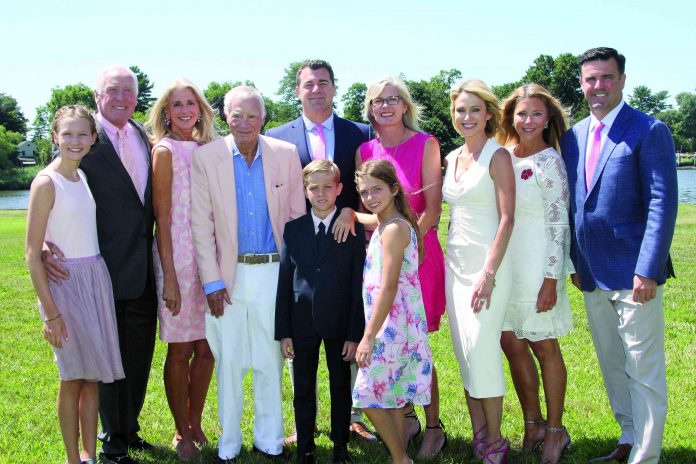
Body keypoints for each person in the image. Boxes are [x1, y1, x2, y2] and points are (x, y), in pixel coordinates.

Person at [561, 47, 678, 464]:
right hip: (592, 273)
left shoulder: (649, 130)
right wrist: (575, 262)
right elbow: (574, 204)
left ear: (622, 80)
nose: (598, 86)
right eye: (590, 79)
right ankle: (628, 437)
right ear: (581, 84)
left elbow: (662, 202)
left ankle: (645, 457)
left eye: (607, 77)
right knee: (613, 364)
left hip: (634, 274)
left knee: (643, 369)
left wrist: (648, 269)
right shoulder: (573, 137)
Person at [43, 66, 157, 464]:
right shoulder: (84, 139)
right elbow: (57, 187)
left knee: (137, 358)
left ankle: (129, 429)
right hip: (100, 271)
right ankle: (113, 442)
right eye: (113, 90)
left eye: (128, 91)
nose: (121, 97)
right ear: (98, 96)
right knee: (107, 359)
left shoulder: (143, 134)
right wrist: (45, 243)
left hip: (143, 267)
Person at [190, 85, 305, 463]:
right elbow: (201, 225)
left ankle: (270, 440)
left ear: (263, 118)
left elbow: (296, 221)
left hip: (274, 272)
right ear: (226, 116)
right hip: (228, 276)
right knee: (229, 361)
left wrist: (294, 280)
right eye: (237, 115)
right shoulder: (206, 158)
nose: (244, 123)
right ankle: (229, 443)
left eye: (252, 115)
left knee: (270, 360)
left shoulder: (285, 154)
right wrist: (212, 281)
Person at [266, 59, 376, 443]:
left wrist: (352, 211)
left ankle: (351, 417)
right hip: (302, 246)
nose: (316, 89)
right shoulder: (277, 137)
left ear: (334, 88)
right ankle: (304, 423)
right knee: (306, 340)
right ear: (297, 90)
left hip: (346, 244)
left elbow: (367, 186)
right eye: (309, 83)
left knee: (345, 333)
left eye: (324, 82)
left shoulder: (359, 133)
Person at [343, 76, 446, 459]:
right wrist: (351, 214)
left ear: (405, 105)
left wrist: (407, 247)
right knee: (398, 346)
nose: (384, 106)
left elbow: (432, 209)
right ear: (370, 109)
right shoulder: (366, 149)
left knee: (417, 346)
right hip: (385, 254)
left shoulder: (426, 144)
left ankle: (433, 427)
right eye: (377, 101)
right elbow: (374, 210)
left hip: (419, 254)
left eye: (392, 99)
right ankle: (406, 421)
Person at [25, 105, 124, 464]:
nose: (75, 141)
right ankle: (72, 458)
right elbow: (31, 252)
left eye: (83, 133)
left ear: (94, 138)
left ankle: (89, 455)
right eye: (67, 133)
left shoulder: (81, 177)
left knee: (92, 376)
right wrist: (51, 314)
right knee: (72, 377)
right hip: (65, 286)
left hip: (94, 280)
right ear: (54, 136)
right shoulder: (46, 182)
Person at [499, 83, 573, 464]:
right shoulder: (503, 156)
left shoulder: (550, 161)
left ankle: (556, 432)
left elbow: (560, 225)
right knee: (511, 343)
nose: (528, 121)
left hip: (538, 266)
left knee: (544, 346)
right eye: (522, 113)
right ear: (510, 116)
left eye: (537, 114)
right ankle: (533, 424)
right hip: (506, 267)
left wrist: (550, 279)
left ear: (548, 119)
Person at [442, 80, 515, 463]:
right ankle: (479, 434)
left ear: (488, 114)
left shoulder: (497, 156)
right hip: (455, 267)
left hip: (488, 269)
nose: (466, 117)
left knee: (483, 350)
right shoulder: (451, 157)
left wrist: (488, 273)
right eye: (460, 110)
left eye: (474, 110)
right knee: (465, 353)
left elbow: (507, 218)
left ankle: (497, 440)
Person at [275, 160, 366, 464]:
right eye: (314, 187)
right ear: (305, 191)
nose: (321, 193)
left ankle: (340, 446)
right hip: (301, 323)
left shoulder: (351, 230)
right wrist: (284, 331)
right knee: (303, 388)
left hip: (339, 322)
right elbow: (285, 281)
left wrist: (354, 334)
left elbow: (357, 283)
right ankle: (306, 448)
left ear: (339, 189)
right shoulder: (294, 230)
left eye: (328, 186)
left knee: (340, 385)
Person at [146, 79, 218, 460]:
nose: (185, 110)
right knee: (181, 348)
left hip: (210, 258)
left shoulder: (210, 149)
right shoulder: (165, 151)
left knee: (207, 348)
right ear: (166, 112)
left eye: (191, 103)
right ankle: (181, 430)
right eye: (177, 105)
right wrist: (170, 277)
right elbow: (162, 218)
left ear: (201, 109)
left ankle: (195, 422)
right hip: (177, 258)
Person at [352, 159, 433, 464]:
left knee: (366, 395)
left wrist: (368, 337)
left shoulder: (394, 230)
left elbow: (388, 288)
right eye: (364, 192)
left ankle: (400, 458)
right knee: (393, 396)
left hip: (391, 326)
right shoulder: (388, 222)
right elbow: (369, 217)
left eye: (377, 190)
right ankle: (401, 458)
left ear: (395, 189)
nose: (370, 197)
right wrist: (351, 213)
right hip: (397, 323)